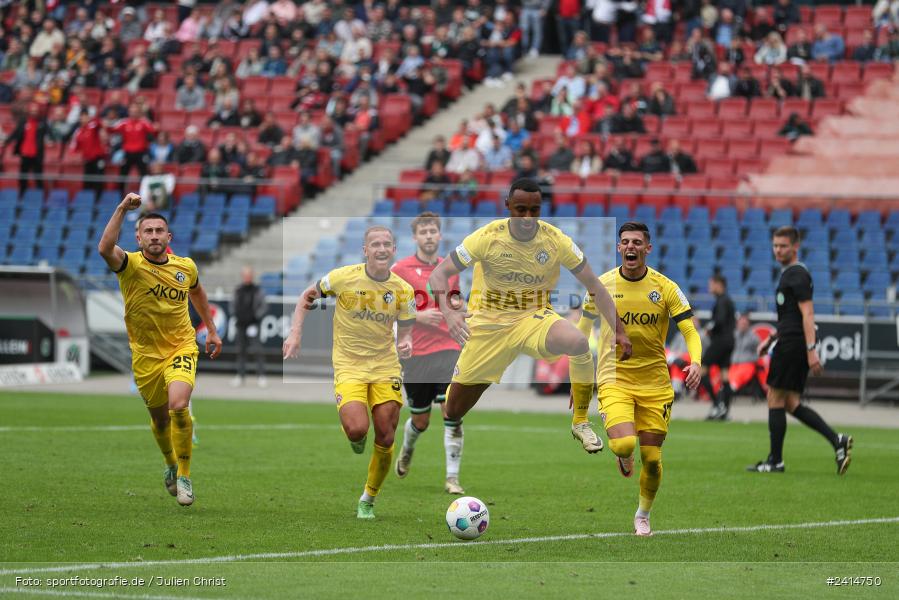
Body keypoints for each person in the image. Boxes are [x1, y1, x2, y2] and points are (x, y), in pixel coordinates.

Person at [428, 179, 632, 461]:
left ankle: (581, 421)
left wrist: (619, 330)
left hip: (532, 319)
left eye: (534, 210)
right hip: (488, 326)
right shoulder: (487, 237)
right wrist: (449, 312)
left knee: (577, 341)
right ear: (507, 206)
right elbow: (438, 274)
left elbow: (595, 286)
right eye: (520, 209)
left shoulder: (556, 240)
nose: (527, 217)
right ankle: (463, 383)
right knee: (453, 410)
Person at [573, 222, 702, 536]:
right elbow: (583, 330)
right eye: (625, 242)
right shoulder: (602, 286)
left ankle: (643, 514)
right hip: (614, 378)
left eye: (637, 242)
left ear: (648, 248)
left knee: (653, 459)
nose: (630, 247)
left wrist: (696, 361)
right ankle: (623, 455)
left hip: (655, 384)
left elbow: (689, 330)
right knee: (623, 444)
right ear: (619, 248)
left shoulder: (665, 287)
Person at [283, 227, 416, 519]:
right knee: (358, 428)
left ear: (394, 249)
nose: (381, 248)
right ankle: (356, 437)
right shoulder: (343, 277)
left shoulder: (403, 290)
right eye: (374, 244)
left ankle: (368, 498)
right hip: (349, 365)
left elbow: (406, 330)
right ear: (365, 250)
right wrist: (295, 333)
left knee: (386, 433)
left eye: (386, 244)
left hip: (385, 365)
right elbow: (308, 296)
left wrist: (405, 342)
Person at [97, 195, 222, 506]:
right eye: (148, 231)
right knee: (159, 419)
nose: (154, 236)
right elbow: (104, 249)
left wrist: (212, 329)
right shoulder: (130, 265)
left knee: (179, 405)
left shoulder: (185, 267)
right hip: (145, 356)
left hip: (181, 346)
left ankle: (184, 475)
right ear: (138, 238)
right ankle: (169, 464)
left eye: (159, 231)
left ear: (169, 237)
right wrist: (122, 209)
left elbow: (197, 292)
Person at [748, 227, 853, 475]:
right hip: (789, 340)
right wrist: (772, 337)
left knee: (774, 397)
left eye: (783, 246)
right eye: (775, 245)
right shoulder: (791, 275)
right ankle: (836, 440)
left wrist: (811, 349)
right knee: (791, 402)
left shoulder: (796, 275)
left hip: (794, 345)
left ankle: (776, 461)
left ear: (795, 247)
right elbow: (791, 316)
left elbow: (807, 314)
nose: (778, 250)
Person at [391, 213, 465, 494]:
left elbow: (455, 301)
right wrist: (419, 318)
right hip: (417, 354)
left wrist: (460, 308)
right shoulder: (400, 270)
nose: (429, 236)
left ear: (440, 234)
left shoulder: (450, 269)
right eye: (424, 232)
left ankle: (452, 478)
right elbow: (388, 308)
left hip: (449, 348)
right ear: (415, 238)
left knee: (453, 412)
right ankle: (408, 448)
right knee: (420, 420)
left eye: (433, 231)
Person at [702, 275, 736, 420]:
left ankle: (717, 404)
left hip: (720, 342)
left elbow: (719, 321)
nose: (710, 287)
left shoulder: (722, 301)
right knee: (725, 375)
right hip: (729, 342)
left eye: (711, 284)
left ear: (718, 284)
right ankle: (725, 411)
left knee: (702, 370)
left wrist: (709, 328)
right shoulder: (727, 300)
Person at [231, 267, 268, 388]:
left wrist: (256, 317)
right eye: (245, 275)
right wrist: (237, 315)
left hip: (253, 325)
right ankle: (240, 376)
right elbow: (232, 305)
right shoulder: (238, 290)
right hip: (241, 324)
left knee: (257, 350)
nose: (247, 277)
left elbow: (264, 306)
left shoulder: (257, 290)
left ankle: (261, 376)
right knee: (241, 350)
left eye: (249, 275)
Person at [3, 104, 48, 196]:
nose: (33, 113)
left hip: (37, 155)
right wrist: (6, 142)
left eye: (35, 111)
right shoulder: (23, 122)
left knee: (38, 176)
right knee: (23, 177)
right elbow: (15, 133)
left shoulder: (42, 123)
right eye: (32, 111)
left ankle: (41, 197)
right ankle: (22, 196)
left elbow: (50, 133)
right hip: (25, 153)